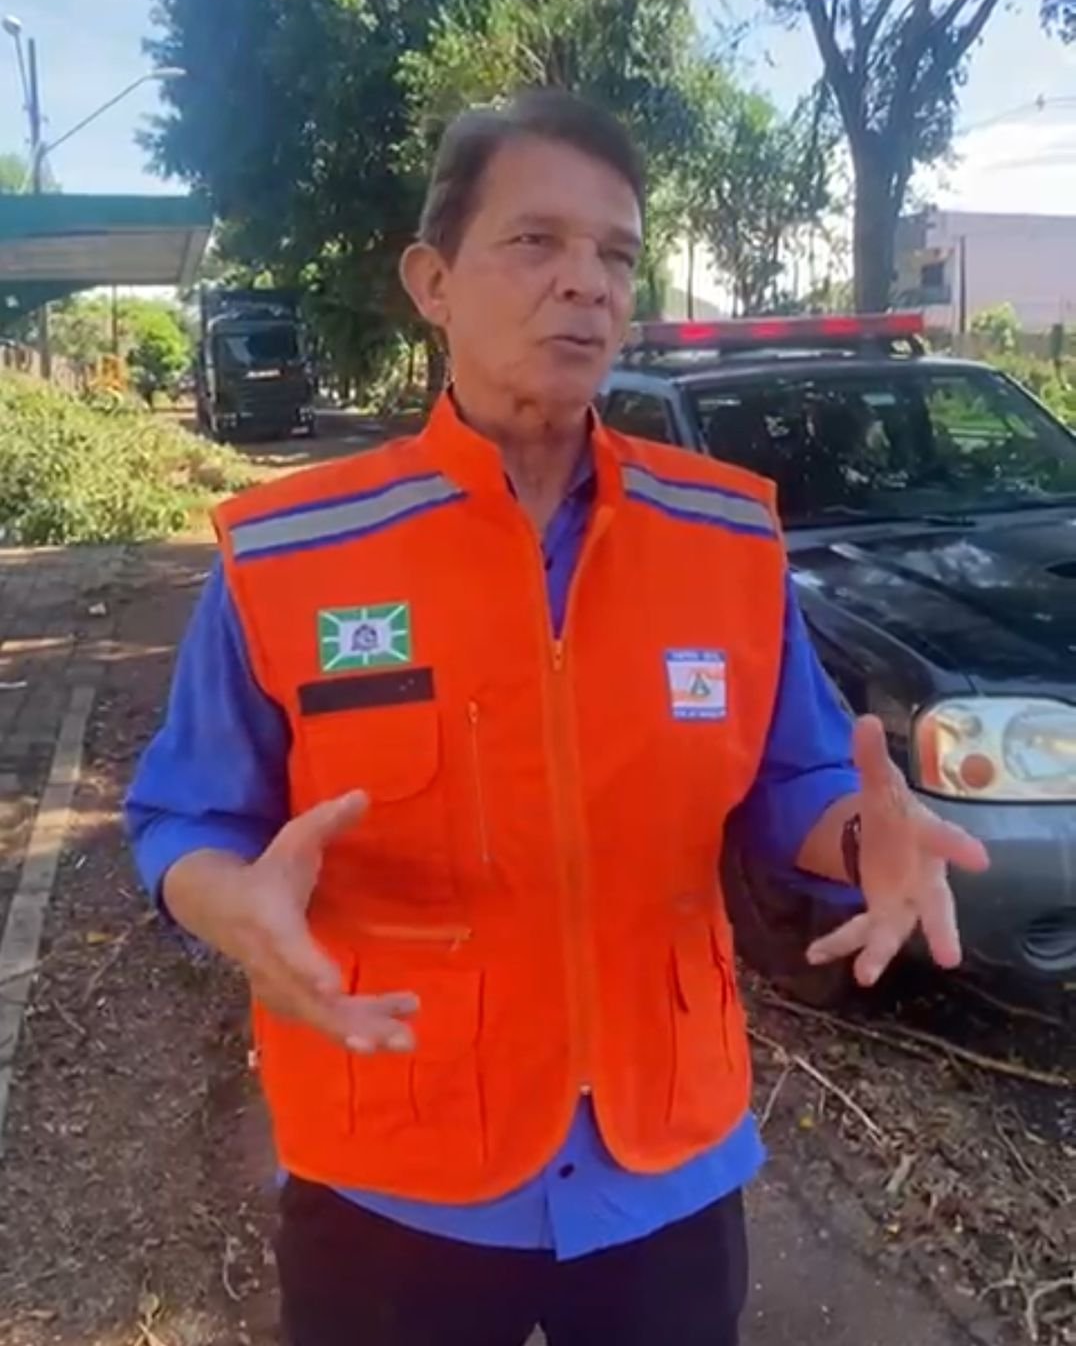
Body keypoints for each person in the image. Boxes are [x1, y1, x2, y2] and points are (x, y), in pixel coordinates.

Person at [125, 90, 989, 1346]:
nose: (585, 281)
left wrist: (861, 836)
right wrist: (228, 902)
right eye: (535, 241)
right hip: (392, 1171)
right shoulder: (294, 554)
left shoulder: (724, 534)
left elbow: (791, 774)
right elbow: (185, 812)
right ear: (431, 281)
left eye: (614, 254)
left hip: (664, 1166)